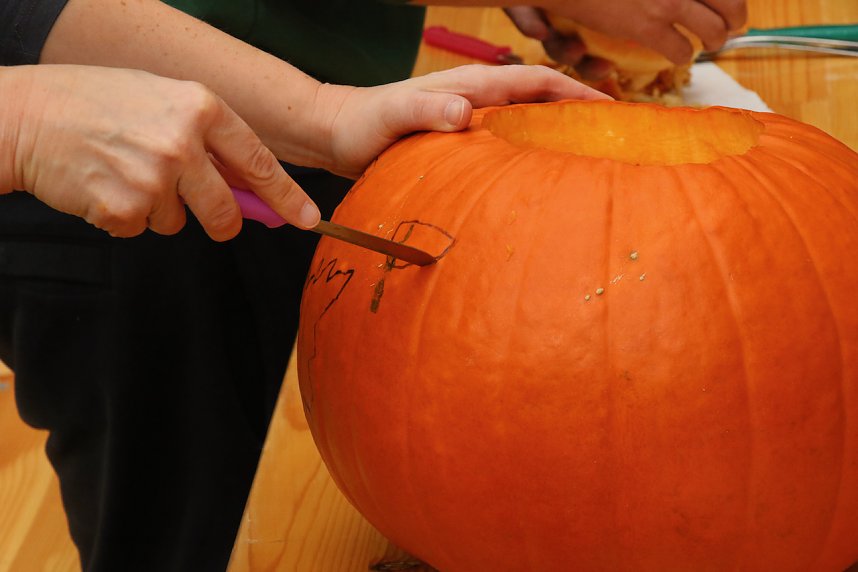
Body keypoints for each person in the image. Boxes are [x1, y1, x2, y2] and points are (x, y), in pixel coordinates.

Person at [1, 1, 745, 571]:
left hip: (239, 118)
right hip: (107, 220)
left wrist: (323, 115)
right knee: (186, 530)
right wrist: (24, 122)